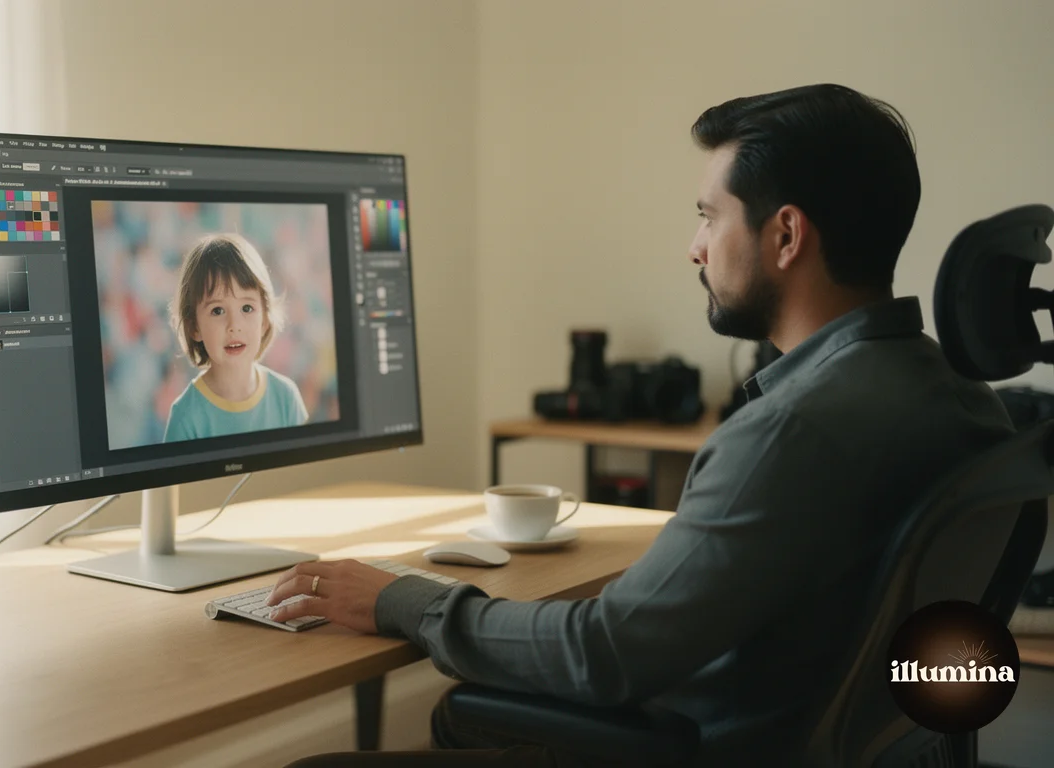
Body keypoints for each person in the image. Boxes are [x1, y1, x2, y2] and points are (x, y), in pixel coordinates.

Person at [273, 84, 1015, 767]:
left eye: (707, 216)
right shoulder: (963, 402)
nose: (694, 247)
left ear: (786, 236)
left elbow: (604, 655)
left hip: (709, 745)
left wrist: (400, 597)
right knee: (469, 717)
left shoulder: (791, 432)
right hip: (852, 744)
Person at [164, 233, 309, 443]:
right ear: (194, 326)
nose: (234, 326)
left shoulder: (285, 397)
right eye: (217, 311)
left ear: (264, 320)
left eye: (247, 308)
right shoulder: (186, 417)